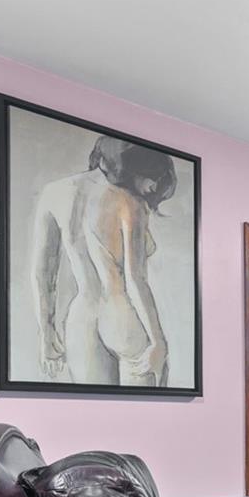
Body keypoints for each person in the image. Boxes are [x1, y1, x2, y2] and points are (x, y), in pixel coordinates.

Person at [31, 136, 176, 387]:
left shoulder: (53, 192)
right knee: (148, 418)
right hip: (125, 317)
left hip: (81, 321)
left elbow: (42, 273)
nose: (151, 189)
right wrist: (158, 342)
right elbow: (135, 279)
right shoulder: (129, 203)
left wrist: (46, 331)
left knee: (93, 415)